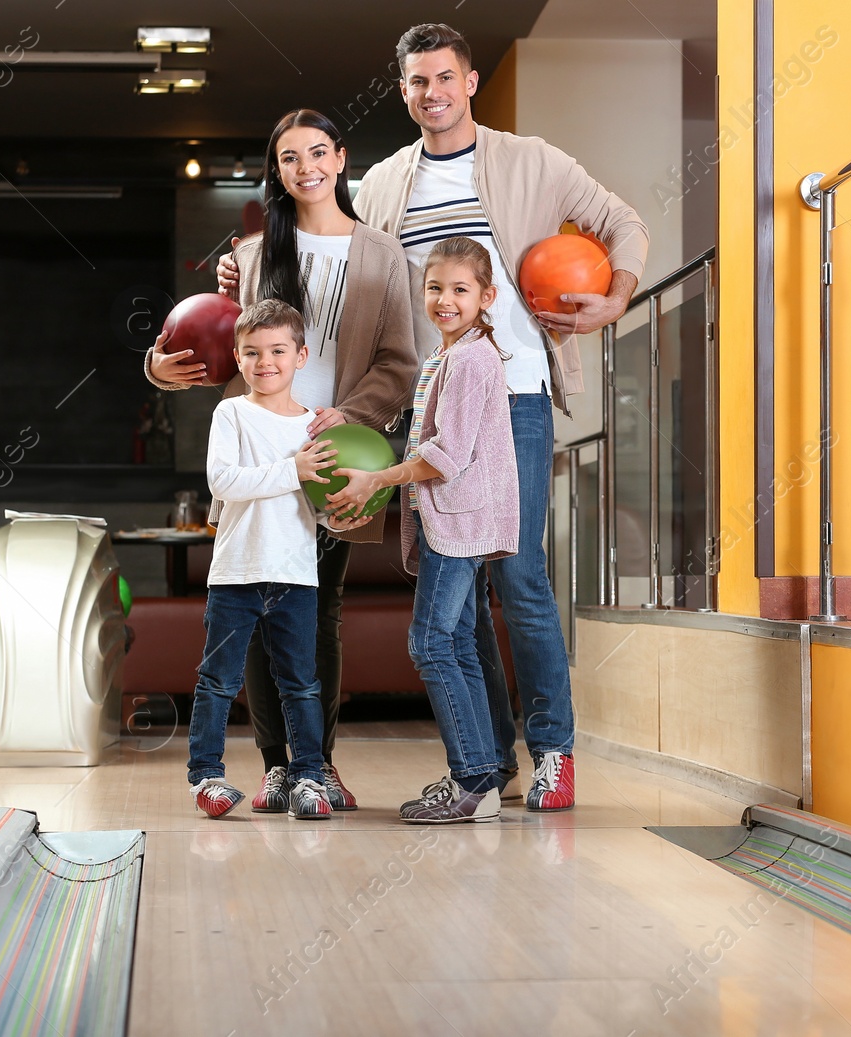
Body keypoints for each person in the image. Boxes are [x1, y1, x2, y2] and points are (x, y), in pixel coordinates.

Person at [218, 23, 648, 811]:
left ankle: (553, 750)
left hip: (512, 395)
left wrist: (615, 298)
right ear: (404, 90)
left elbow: (624, 223)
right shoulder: (383, 182)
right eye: (417, 82)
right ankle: (487, 760)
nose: (432, 94)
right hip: (432, 400)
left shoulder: (533, 161)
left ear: (470, 82)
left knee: (517, 577)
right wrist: (237, 264)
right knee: (454, 577)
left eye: (445, 78)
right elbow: (325, 240)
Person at [150, 109, 418, 814]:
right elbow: (210, 334)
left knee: (316, 611)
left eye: (318, 153)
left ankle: (316, 764)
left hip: (340, 454)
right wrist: (156, 363)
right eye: (289, 157)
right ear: (277, 169)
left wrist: (352, 414)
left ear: (341, 158)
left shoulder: (383, 253)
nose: (306, 168)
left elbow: (401, 360)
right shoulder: (251, 250)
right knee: (269, 613)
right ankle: (277, 766)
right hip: (266, 452)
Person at [329, 237, 519, 823]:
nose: (445, 299)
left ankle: (471, 780)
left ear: (486, 297)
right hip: (452, 519)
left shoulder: (470, 358)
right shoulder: (451, 354)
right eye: (435, 288)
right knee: (456, 642)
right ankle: (482, 776)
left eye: (460, 290)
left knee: (432, 642)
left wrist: (375, 480)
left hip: (458, 522)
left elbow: (447, 454)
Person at [186, 299, 371, 819]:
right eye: (252, 352)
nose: (265, 362)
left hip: (295, 576)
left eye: (277, 350)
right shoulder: (232, 413)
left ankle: (309, 777)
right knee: (218, 680)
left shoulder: (317, 428)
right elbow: (223, 482)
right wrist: (293, 470)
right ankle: (206, 778)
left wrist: (338, 518)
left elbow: (315, 506)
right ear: (238, 358)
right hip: (236, 574)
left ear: (301, 355)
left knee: (302, 684)